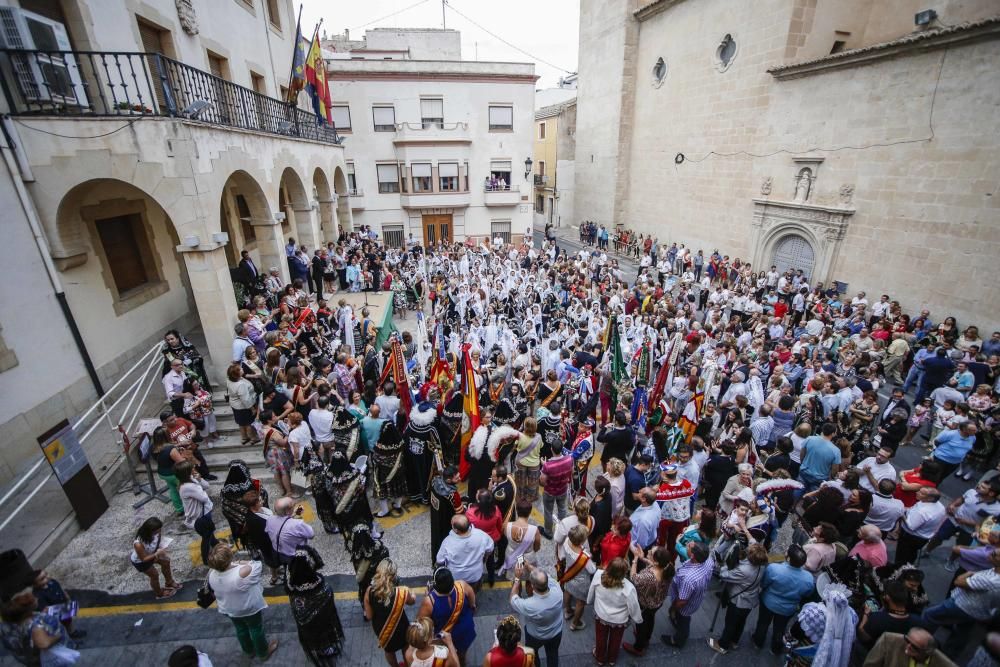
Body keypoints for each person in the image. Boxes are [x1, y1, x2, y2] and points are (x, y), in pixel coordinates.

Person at [921, 547, 1000, 656]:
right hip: (977, 610)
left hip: (963, 606)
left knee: (929, 616)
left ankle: (921, 644)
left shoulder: (992, 581)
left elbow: (958, 581)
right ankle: (947, 656)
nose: (990, 553)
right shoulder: (995, 570)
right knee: (961, 633)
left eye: (994, 554)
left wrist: (969, 573)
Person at [206, 543, 278, 661]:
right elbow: (257, 565)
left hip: (228, 608)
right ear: (229, 558)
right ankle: (263, 652)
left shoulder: (211, 574)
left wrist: (233, 564)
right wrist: (239, 562)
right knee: (255, 628)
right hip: (248, 608)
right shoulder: (240, 573)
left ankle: (248, 651)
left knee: (240, 628)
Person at [284, 545, 344, 665]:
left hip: (307, 627)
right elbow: (331, 614)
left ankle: (317, 648)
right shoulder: (323, 589)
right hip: (322, 625)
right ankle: (325, 649)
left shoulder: (294, 591)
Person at [752, 544, 814, 655]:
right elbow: (807, 593)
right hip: (788, 609)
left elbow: (764, 583)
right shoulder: (809, 578)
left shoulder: (774, 568)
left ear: (788, 558)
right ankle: (775, 648)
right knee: (780, 628)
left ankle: (758, 642)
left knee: (763, 623)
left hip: (768, 602)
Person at [708, 542, 770, 655]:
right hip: (750, 600)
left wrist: (725, 566)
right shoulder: (762, 565)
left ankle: (723, 645)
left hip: (738, 602)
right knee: (741, 622)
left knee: (730, 624)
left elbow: (725, 575)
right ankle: (734, 641)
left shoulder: (744, 570)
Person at [0, 587, 79, 666]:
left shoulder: (9, 624)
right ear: (29, 608)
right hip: (53, 659)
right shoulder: (36, 626)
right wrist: (57, 636)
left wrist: (41, 614)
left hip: (30, 658)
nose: (37, 598)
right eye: (34, 597)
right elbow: (44, 644)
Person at [588, 557, 642, 666]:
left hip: (601, 615)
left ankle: (600, 658)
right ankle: (612, 659)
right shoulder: (629, 587)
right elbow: (633, 606)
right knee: (616, 640)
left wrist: (589, 600)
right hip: (619, 620)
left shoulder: (598, 575)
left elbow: (591, 591)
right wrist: (637, 618)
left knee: (600, 637)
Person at [417, 568, 476, 667]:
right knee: (462, 654)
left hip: (443, 638)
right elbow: (473, 604)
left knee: (445, 658)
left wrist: (426, 596)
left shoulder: (429, 601)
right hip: (465, 630)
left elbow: (421, 622)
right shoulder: (462, 585)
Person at [622, 545, 673, 657]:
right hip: (657, 602)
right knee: (650, 619)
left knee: (641, 624)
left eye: (650, 553)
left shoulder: (648, 576)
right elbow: (653, 565)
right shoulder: (666, 567)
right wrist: (642, 558)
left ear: (656, 562)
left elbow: (634, 578)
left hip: (645, 605)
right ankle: (647, 638)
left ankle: (638, 647)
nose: (648, 551)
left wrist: (635, 559)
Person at [509, 563, 563, 667]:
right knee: (553, 655)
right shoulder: (558, 591)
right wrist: (530, 566)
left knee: (533, 655)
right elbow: (545, 577)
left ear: (532, 586)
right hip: (556, 633)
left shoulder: (530, 605)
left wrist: (517, 579)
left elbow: (513, 599)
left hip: (535, 636)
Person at [661, 542, 713, 648]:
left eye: (689, 546)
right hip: (696, 599)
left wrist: (674, 608)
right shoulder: (708, 560)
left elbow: (682, 601)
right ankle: (675, 619)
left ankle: (678, 641)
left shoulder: (689, 579)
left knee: (683, 620)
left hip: (685, 606)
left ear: (693, 555)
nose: (687, 544)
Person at [365, 559, 415, 667]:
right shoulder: (401, 591)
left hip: (382, 629)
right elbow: (412, 602)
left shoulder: (369, 591)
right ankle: (407, 664)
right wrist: (411, 592)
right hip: (401, 626)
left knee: (389, 651)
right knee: (405, 646)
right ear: (393, 576)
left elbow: (369, 616)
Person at [857, 580, 927, 649]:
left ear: (887, 598)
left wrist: (865, 615)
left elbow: (863, 637)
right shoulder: (918, 622)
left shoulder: (877, 619)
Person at [175, 460, 218, 566]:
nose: (194, 468)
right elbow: (204, 497)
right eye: (191, 468)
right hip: (200, 515)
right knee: (206, 536)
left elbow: (206, 486)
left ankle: (216, 544)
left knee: (208, 532)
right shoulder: (188, 487)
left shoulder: (189, 481)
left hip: (204, 512)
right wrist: (198, 483)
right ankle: (206, 558)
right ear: (187, 472)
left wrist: (199, 479)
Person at [435, 514, 494, 591]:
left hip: (456, 578)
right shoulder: (481, 535)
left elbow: (440, 560)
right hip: (475, 576)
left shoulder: (447, 542)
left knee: (458, 596)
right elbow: (490, 548)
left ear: (456, 530)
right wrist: (484, 559)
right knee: (473, 593)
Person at [130, 517, 180, 600]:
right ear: (149, 531)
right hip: (141, 562)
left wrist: (160, 549)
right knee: (154, 575)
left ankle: (169, 582)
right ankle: (159, 593)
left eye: (159, 530)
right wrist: (157, 554)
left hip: (152, 554)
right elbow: (144, 559)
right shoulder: (138, 544)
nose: (159, 532)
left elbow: (158, 541)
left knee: (166, 561)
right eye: (157, 531)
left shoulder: (156, 533)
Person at [894, 487, 947, 565]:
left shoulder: (922, 512)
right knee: (912, 553)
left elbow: (911, 526)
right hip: (922, 538)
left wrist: (901, 513)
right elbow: (913, 509)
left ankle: (899, 570)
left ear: (930, 498)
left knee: (902, 556)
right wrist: (906, 509)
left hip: (910, 538)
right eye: (919, 491)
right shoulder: (940, 506)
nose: (917, 492)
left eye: (921, 493)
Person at [560, 524, 597, 632]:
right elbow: (592, 570)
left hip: (568, 575)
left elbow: (562, 556)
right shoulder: (584, 556)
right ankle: (575, 623)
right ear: (582, 540)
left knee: (567, 592)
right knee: (580, 603)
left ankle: (567, 611)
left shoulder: (567, 541)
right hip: (581, 582)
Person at [862, 629, 958, 667]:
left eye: (915, 647)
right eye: (907, 641)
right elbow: (870, 665)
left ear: (927, 652)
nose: (908, 646)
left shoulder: (944, 664)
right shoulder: (888, 640)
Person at [265, 497, 315, 565]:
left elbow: (282, 523)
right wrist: (299, 520)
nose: (295, 506)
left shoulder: (269, 519)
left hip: (278, 552)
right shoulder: (297, 524)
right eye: (293, 506)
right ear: (287, 511)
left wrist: (292, 514)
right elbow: (311, 534)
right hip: (294, 556)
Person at [539, 445, 573, 539]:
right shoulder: (569, 459)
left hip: (550, 492)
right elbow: (571, 472)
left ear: (551, 449)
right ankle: (562, 529)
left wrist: (544, 465)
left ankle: (548, 533)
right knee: (562, 509)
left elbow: (542, 482)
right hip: (562, 490)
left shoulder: (547, 466)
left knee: (548, 512)